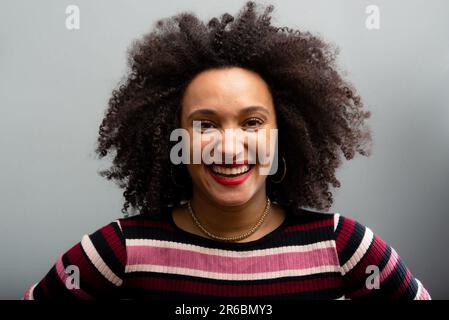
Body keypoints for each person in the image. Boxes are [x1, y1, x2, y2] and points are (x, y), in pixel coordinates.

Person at [24, 1, 430, 300]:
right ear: (171, 137)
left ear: (282, 134)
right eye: (205, 125)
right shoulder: (121, 251)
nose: (230, 146)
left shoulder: (343, 247)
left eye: (252, 122)